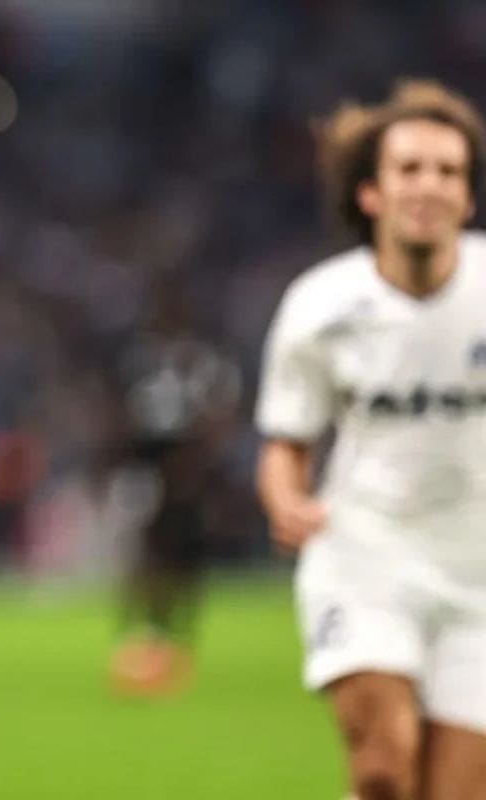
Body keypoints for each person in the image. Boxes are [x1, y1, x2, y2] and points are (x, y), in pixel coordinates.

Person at [257, 79, 486, 799]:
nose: (430, 185)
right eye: (410, 169)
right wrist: (286, 502)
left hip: (478, 575)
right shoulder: (321, 305)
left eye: (449, 171)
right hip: (365, 553)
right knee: (386, 767)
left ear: (469, 197)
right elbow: (286, 441)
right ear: (372, 194)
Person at [108, 289, 242, 698]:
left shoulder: (204, 364)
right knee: (143, 552)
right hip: (146, 470)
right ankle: (142, 634)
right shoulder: (141, 361)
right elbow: (119, 414)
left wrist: (198, 473)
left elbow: (218, 419)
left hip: (188, 475)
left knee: (184, 559)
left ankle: (175, 640)